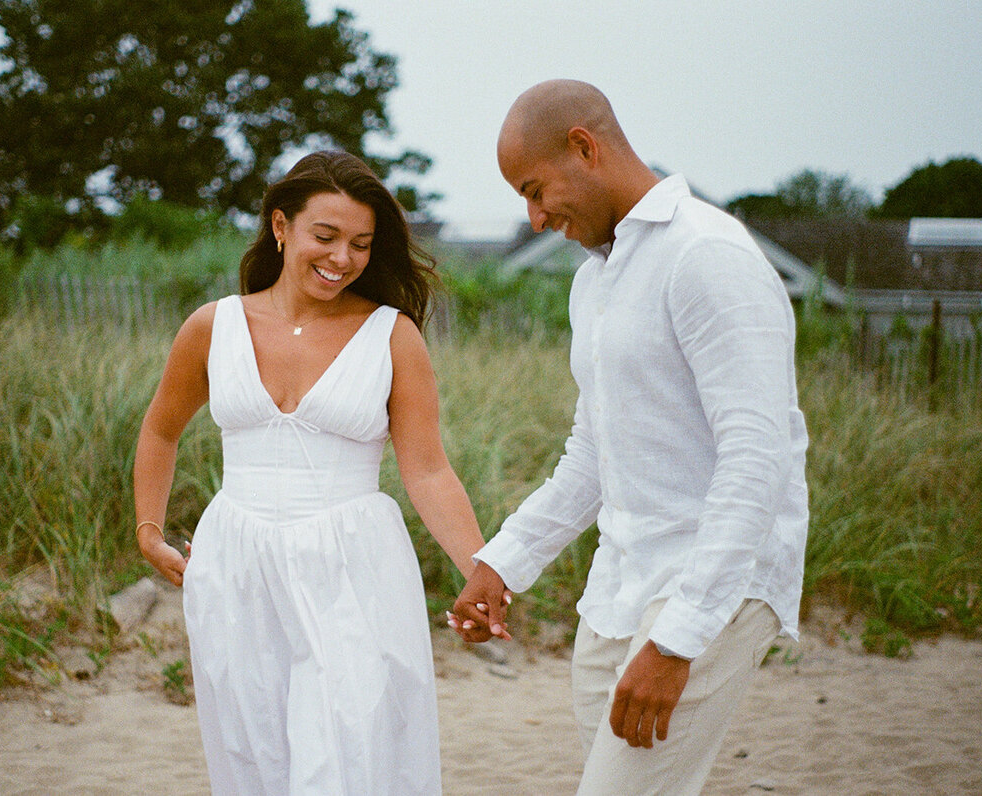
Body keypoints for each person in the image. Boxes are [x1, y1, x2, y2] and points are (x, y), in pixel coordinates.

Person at [450, 80, 810, 795]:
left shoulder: (706, 254)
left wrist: (680, 637)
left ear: (584, 148)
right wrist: (503, 563)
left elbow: (756, 454)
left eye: (535, 188)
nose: (533, 216)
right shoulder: (594, 282)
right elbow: (593, 452)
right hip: (619, 580)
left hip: (717, 578)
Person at [133, 150, 491, 794]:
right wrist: (149, 530)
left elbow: (429, 470)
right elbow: (161, 428)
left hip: (353, 564)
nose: (342, 258)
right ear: (281, 227)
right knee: (251, 753)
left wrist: (480, 570)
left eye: (360, 243)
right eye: (325, 237)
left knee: (349, 754)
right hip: (236, 560)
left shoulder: (391, 334)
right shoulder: (213, 326)